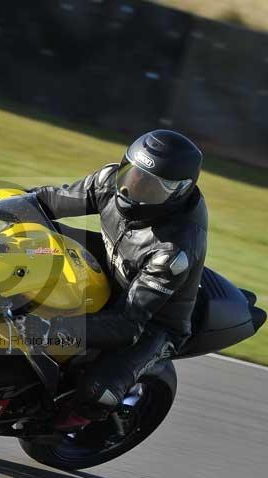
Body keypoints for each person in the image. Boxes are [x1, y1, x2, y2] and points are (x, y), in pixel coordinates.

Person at [16, 129, 208, 427]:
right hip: (110, 265)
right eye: (133, 175)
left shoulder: (172, 251)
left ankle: (72, 423)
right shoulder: (110, 181)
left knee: (99, 389)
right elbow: (47, 201)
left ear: (178, 193)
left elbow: (127, 325)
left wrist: (49, 329)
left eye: (151, 188)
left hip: (152, 321)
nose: (134, 190)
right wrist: (2, 208)